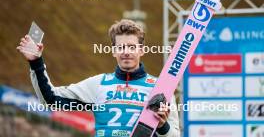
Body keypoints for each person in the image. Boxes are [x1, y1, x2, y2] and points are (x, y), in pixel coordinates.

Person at [17, 19, 180, 137]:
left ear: (142, 50)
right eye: (121, 47)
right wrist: (36, 62)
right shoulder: (99, 84)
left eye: (132, 47)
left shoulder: (160, 89)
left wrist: (162, 126)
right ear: (113, 51)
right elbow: (50, 99)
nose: (126, 52)